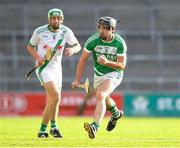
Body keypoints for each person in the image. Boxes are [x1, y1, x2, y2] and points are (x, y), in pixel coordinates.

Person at [27, 8, 81, 138]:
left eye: (58, 18)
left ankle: (48, 130)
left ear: (62, 19)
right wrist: (38, 57)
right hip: (44, 68)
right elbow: (30, 47)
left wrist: (73, 50)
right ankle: (48, 128)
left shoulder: (66, 31)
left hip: (57, 69)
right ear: (49, 19)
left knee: (54, 100)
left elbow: (78, 45)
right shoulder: (39, 32)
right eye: (53, 18)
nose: (55, 20)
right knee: (56, 96)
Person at [71, 16, 127, 139]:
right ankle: (116, 113)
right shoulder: (93, 41)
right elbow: (82, 60)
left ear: (113, 30)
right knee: (105, 99)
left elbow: (122, 65)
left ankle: (95, 126)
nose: (102, 30)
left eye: (106, 28)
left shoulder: (119, 43)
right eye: (100, 27)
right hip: (98, 74)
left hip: (114, 73)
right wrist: (77, 80)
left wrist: (107, 62)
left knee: (100, 95)